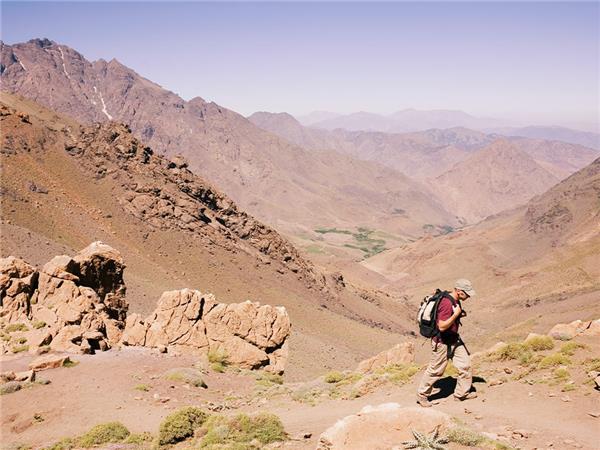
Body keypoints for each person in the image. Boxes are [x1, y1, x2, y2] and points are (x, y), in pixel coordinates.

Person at [416, 279, 477, 407]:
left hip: (454, 339)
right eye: (467, 293)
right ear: (459, 291)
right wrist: (455, 315)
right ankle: (422, 396)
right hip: (442, 342)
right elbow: (442, 326)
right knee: (436, 370)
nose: (469, 296)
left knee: (465, 365)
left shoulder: (454, 300)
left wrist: (459, 314)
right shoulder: (446, 303)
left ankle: (461, 394)